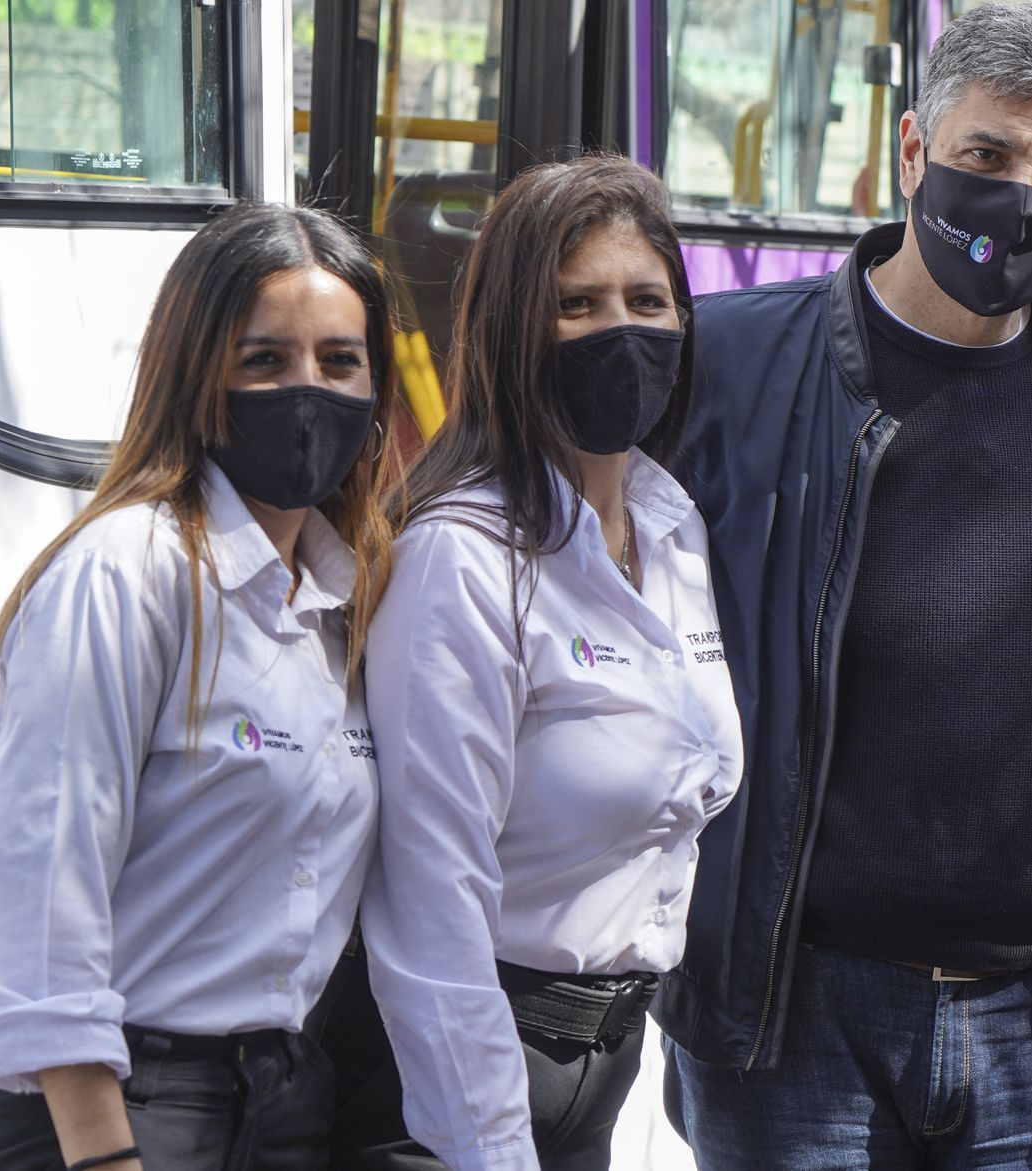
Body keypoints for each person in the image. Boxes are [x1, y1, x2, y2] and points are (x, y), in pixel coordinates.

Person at [656, 6, 1032, 1168]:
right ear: (910, 153)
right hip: (798, 1018)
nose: (1020, 195)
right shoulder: (731, 362)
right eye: (986, 157)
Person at [0, 203, 399, 1171]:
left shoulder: (351, 601)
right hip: (108, 1112)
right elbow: (41, 889)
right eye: (264, 360)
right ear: (196, 374)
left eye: (339, 361)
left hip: (279, 1102)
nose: (306, 390)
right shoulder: (128, 573)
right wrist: (102, 1151)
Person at [337, 154, 741, 1171]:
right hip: (454, 1083)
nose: (621, 329)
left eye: (647, 299)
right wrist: (488, 1142)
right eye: (577, 304)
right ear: (516, 328)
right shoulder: (460, 557)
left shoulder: (670, 521)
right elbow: (432, 899)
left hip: (597, 1070)